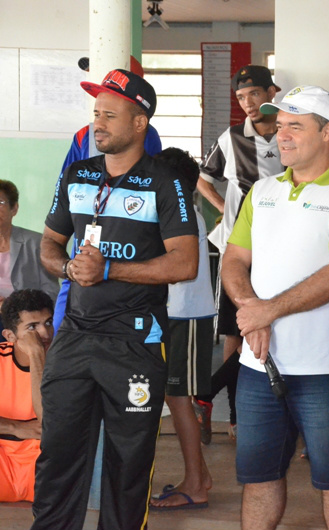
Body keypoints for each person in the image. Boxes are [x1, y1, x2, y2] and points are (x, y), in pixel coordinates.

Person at [34, 69, 199, 530]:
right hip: (75, 336)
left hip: (135, 343)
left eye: (109, 114)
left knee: (129, 466)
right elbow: (49, 245)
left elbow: (185, 263)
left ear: (140, 121)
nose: (98, 124)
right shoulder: (78, 174)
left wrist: (109, 268)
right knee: (58, 455)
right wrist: (68, 267)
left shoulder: (164, 182)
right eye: (95, 114)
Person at [222, 85, 329, 530]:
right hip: (259, 367)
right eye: (280, 125)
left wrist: (267, 312)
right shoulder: (263, 191)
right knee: (258, 477)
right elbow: (234, 260)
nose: (282, 135)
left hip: (328, 371)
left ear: (328, 131)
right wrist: (251, 309)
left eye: (295, 125)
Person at [194, 65, 284, 441]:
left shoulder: (290, 134)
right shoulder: (231, 137)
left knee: (271, 325)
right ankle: (236, 415)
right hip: (238, 248)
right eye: (241, 97)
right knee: (234, 330)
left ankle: (209, 394)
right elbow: (203, 177)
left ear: (272, 92)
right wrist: (221, 210)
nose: (247, 103)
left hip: (279, 246)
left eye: (254, 95)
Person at [149, 148, 215, 510]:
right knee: (176, 400)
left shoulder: (182, 213)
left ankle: (195, 484)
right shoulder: (179, 209)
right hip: (176, 316)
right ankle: (200, 476)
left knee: (179, 400)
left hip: (185, 317)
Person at [0, 289, 53, 503]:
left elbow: (49, 421)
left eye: (48, 323)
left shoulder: (66, 364)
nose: (46, 333)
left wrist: (37, 356)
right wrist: (15, 427)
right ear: (10, 336)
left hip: (41, 457)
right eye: (32, 327)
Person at [0, 180, 58, 307]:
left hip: (25, 317)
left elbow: (51, 291)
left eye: (0, 203)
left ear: (14, 209)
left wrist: (16, 308)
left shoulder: (36, 243)